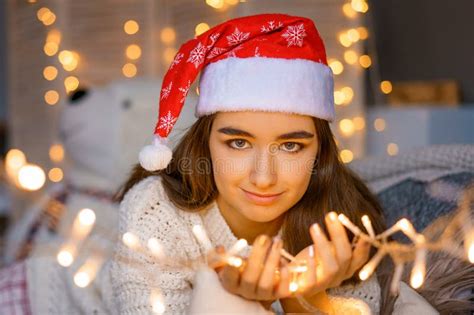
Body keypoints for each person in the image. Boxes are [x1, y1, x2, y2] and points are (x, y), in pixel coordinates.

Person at [111, 13, 435, 314]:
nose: (263, 177)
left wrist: (301, 295)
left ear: (319, 153)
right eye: (238, 143)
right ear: (205, 144)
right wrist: (236, 300)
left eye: (291, 145)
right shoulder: (155, 210)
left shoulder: (342, 225)